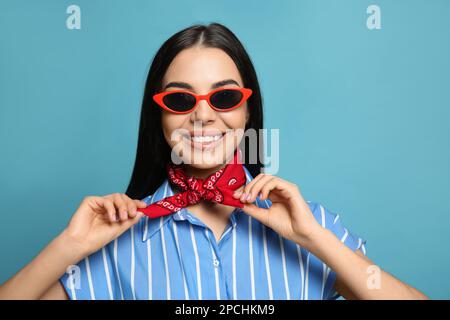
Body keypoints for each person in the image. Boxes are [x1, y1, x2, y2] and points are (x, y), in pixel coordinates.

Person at [0, 23, 427, 300]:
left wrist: (315, 239)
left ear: (247, 112)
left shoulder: (311, 227)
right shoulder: (117, 242)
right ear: (160, 118)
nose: (203, 115)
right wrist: (68, 247)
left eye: (223, 97)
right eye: (181, 99)